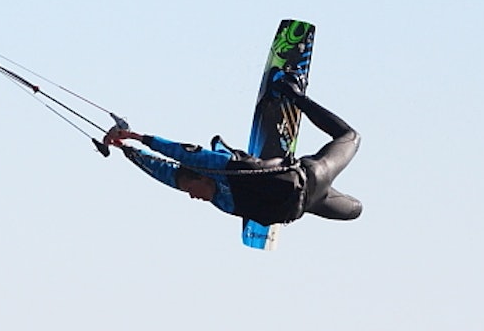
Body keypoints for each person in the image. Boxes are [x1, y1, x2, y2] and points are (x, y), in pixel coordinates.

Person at [103, 77, 362, 226]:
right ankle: (264, 156)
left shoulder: (220, 168)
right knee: (355, 211)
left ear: (202, 175)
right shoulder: (221, 201)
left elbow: (181, 154)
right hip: (308, 203)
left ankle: (293, 94)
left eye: (190, 190)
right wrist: (128, 152)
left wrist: (137, 137)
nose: (192, 197)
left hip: (313, 174)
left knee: (350, 137)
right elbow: (165, 174)